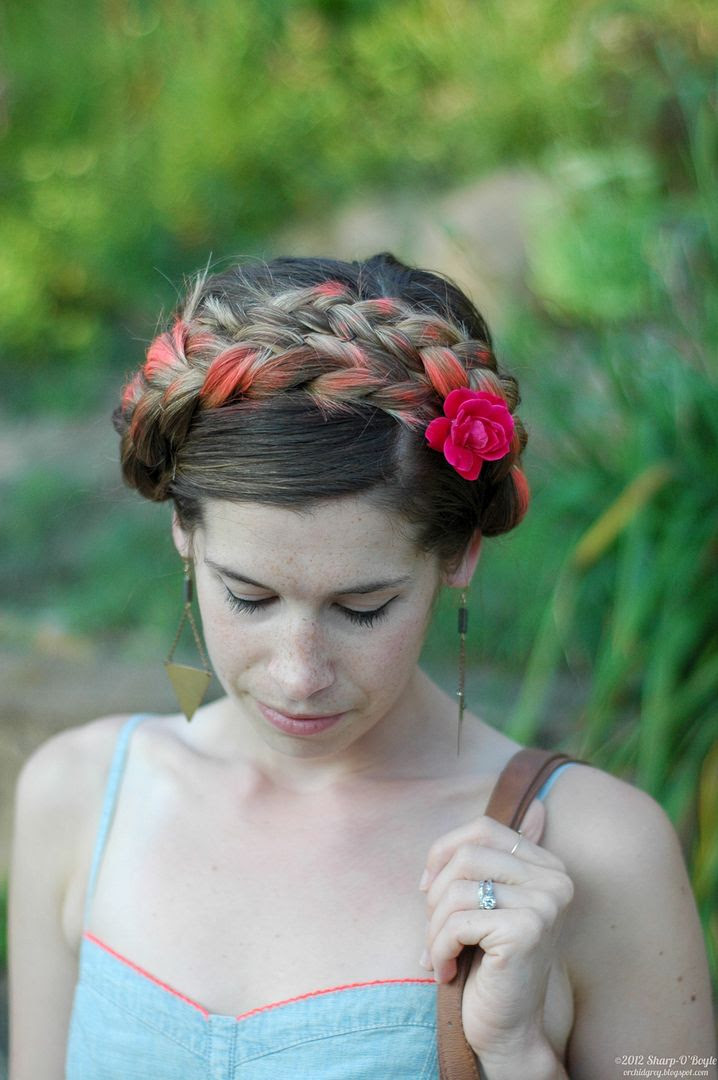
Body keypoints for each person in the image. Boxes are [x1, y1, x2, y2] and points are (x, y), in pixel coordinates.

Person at [8, 254, 716, 1080]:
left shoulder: (602, 855)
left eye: (363, 608)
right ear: (183, 533)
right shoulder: (78, 797)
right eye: (248, 597)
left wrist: (517, 1051)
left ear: (459, 554)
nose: (299, 675)